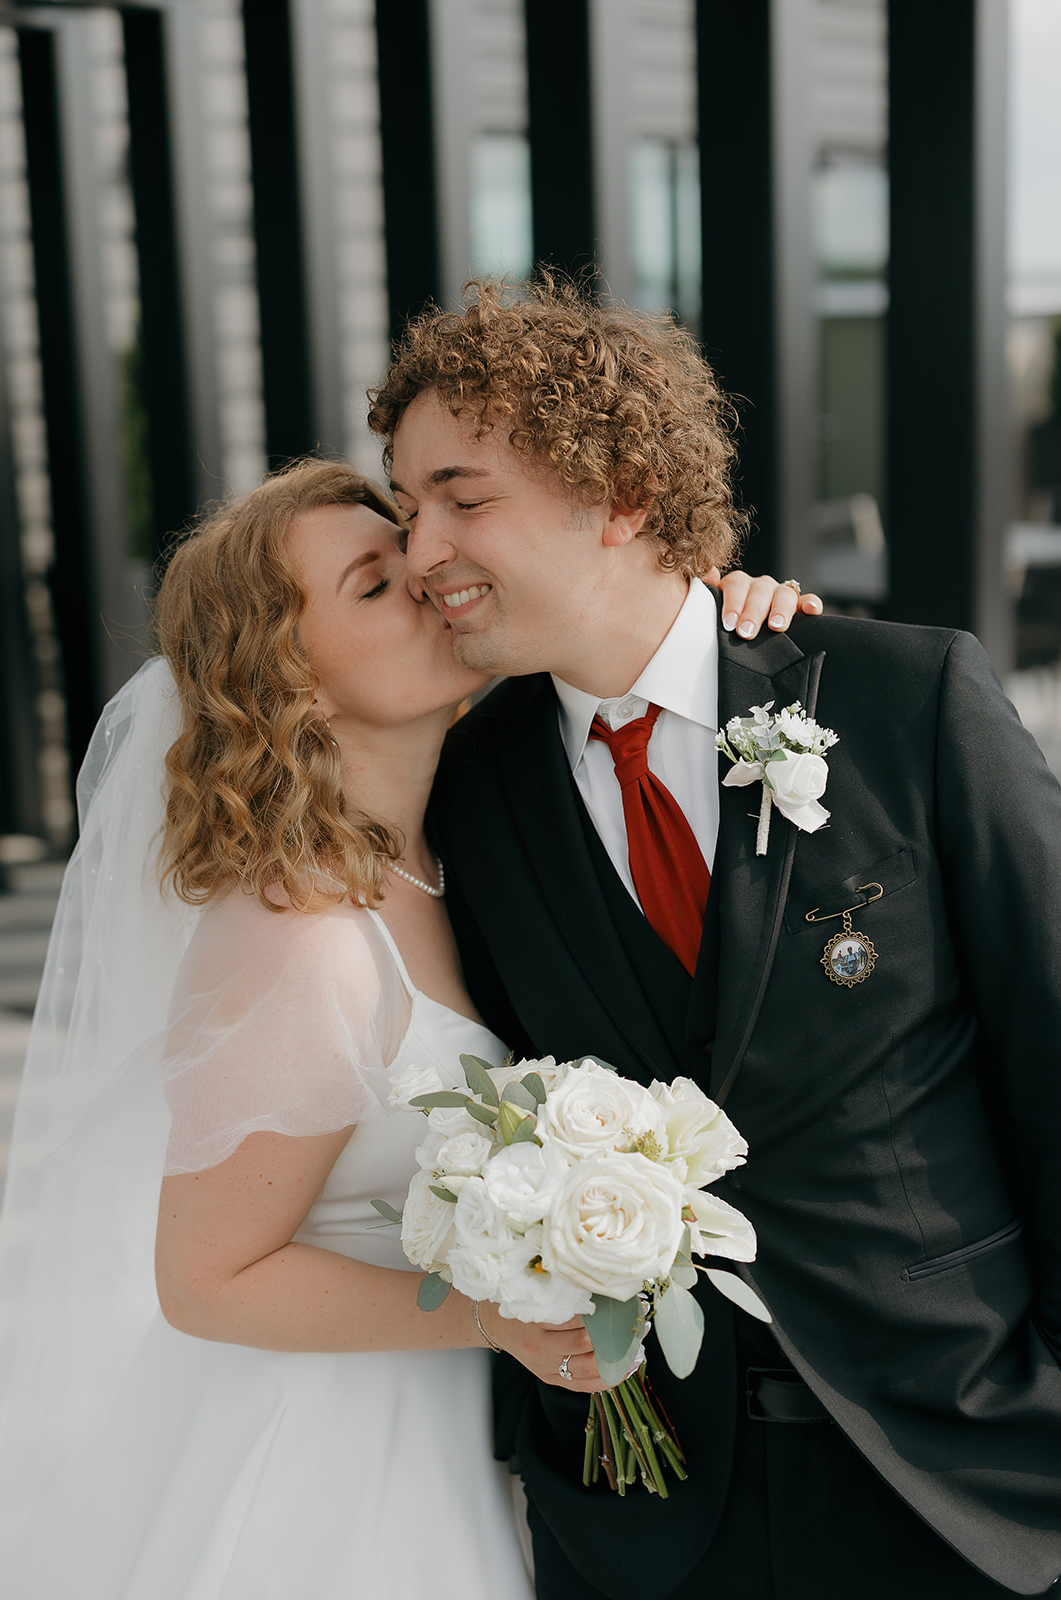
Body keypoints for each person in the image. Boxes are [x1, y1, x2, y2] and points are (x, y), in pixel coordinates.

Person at [0, 456, 810, 1598]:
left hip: (468, 1434)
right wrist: (498, 1313)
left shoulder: (463, 851)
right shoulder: (302, 941)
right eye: (374, 585)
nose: (431, 579)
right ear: (294, 679)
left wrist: (723, 619)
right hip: (328, 1468)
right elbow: (206, 1277)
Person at [367, 276, 1061, 1600]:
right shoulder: (458, 790)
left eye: (461, 496)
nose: (419, 551)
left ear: (619, 490)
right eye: (405, 511)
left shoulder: (897, 699)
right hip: (638, 1507)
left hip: (962, 1475)